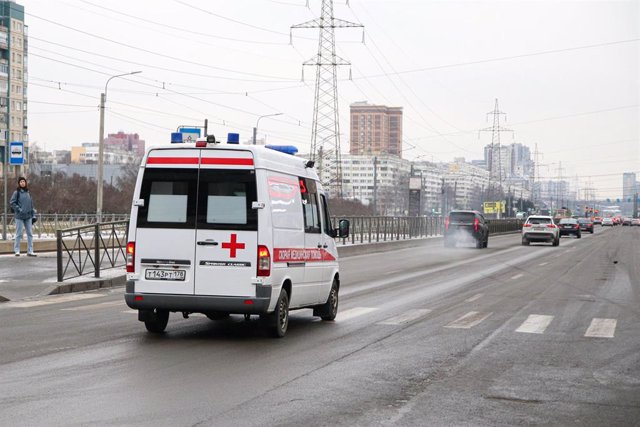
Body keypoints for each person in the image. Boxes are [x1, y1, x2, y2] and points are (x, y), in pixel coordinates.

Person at [10, 176, 37, 257]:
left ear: (25, 183)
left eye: (24, 181)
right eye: (21, 182)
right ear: (19, 183)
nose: (22, 183)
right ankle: (17, 250)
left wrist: (33, 214)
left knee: (30, 234)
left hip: (28, 216)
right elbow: (12, 202)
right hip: (19, 216)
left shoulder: (28, 192)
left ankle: (30, 251)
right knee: (18, 234)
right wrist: (19, 209)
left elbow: (31, 204)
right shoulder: (16, 192)